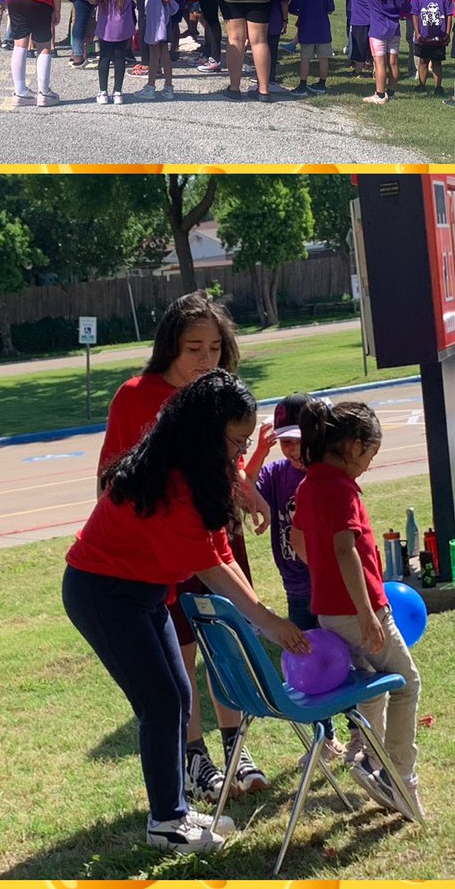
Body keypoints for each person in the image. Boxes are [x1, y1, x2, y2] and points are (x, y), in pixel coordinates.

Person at [65, 369, 309, 853]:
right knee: (159, 703)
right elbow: (209, 568)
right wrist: (267, 622)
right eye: (235, 441)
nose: (241, 454)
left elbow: (220, 551)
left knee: (178, 695)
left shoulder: (205, 467)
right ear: (203, 430)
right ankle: (166, 822)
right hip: (103, 595)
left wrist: (263, 617)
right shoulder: (171, 480)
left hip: (146, 594)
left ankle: (174, 807)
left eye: (245, 442)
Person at [100, 291, 273, 804]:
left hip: (217, 533)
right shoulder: (135, 395)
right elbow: (113, 479)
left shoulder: (220, 394)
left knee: (228, 634)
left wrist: (248, 487)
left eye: (215, 348)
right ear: (168, 347)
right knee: (182, 647)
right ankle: (194, 755)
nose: (205, 359)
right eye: (193, 347)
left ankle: (236, 746)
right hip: (164, 544)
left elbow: (228, 461)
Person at [289, 397, 425, 818]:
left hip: (329, 611)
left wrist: (325, 575)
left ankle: (370, 760)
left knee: (373, 686)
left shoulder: (309, 484)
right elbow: (345, 548)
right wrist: (367, 613)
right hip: (359, 612)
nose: (369, 463)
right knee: (406, 682)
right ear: (352, 446)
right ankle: (398, 775)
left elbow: (297, 541)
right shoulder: (340, 488)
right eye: (370, 454)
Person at [246, 392, 353, 763]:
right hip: (298, 588)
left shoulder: (331, 476)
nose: (292, 450)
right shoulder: (277, 475)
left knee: (350, 660)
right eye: (285, 442)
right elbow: (244, 493)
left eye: (299, 441)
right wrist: (259, 454)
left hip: (335, 589)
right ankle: (325, 737)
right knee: (311, 664)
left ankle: (362, 736)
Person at [90, 0, 144, 106]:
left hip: (105, 25)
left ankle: (103, 92)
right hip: (124, 25)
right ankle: (118, 93)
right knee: (120, 58)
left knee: (104, 58)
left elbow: (92, 0)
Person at [364, 0, 409, 105]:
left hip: (378, 31)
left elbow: (368, 3)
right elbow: (407, 8)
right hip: (394, 30)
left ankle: (380, 94)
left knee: (380, 64)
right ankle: (391, 92)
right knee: (394, 63)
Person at [290, 0, 335, 96]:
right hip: (322, 31)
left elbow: (292, 8)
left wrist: (301, 13)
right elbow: (330, 8)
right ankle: (321, 84)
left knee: (305, 58)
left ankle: (302, 85)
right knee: (323, 59)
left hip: (306, 30)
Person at [141, 0, 179, 101]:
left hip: (157, 22)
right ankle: (168, 87)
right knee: (164, 53)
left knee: (154, 54)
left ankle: (150, 86)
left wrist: (164, 0)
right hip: (164, 23)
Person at [410, 0, 454, 90]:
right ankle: (421, 84)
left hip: (438, 37)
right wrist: (417, 33)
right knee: (423, 61)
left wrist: (447, 33)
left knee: (437, 62)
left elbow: (449, 15)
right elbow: (415, 15)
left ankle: (438, 86)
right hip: (423, 36)